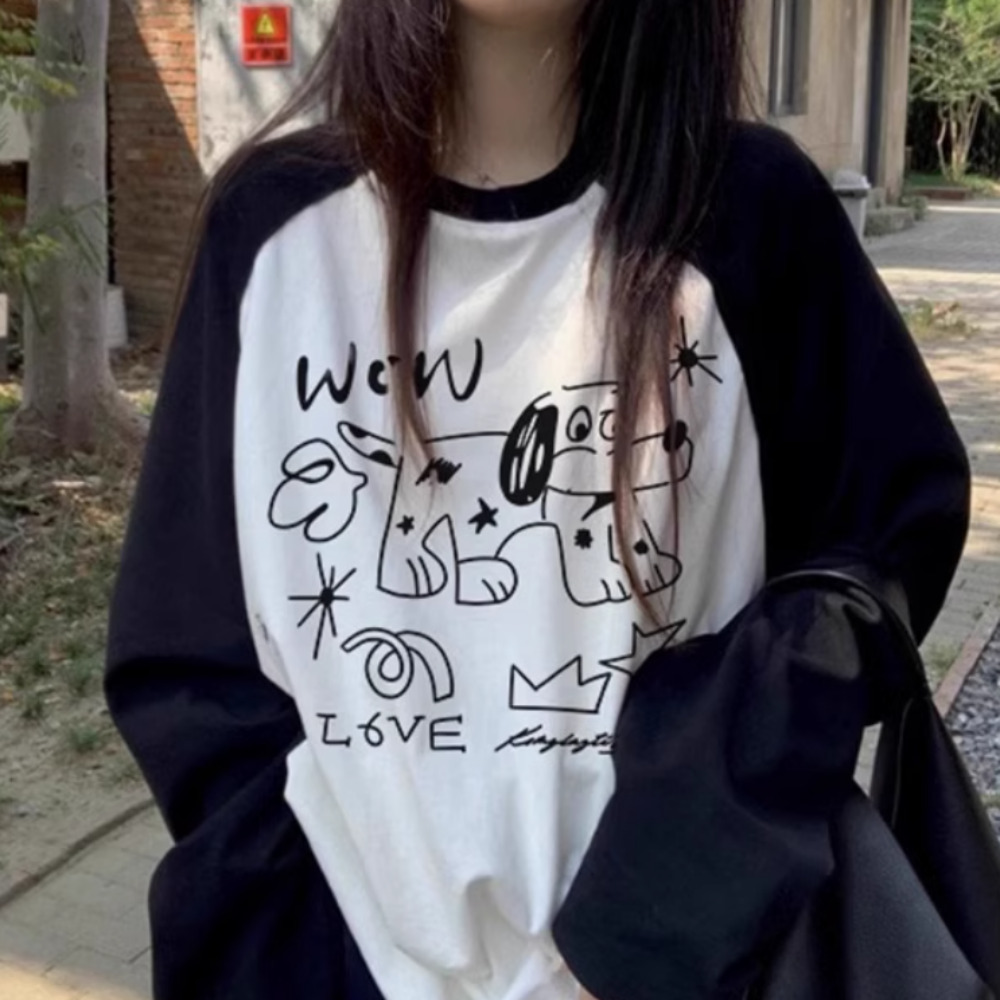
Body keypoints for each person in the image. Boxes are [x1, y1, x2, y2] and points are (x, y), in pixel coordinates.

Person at [105, 1, 971, 999]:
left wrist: (665, 906)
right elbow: (188, 654)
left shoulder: (748, 212)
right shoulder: (268, 228)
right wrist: (301, 939)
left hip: (685, 968)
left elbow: (877, 549)